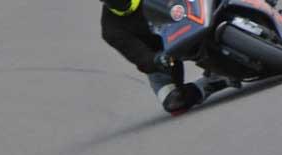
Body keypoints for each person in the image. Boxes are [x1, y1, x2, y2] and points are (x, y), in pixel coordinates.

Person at [100, 0, 239, 114]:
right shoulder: (110, 29)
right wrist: (155, 60)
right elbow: (139, 56)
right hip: (165, 52)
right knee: (174, 102)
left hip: (193, 15)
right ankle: (212, 83)